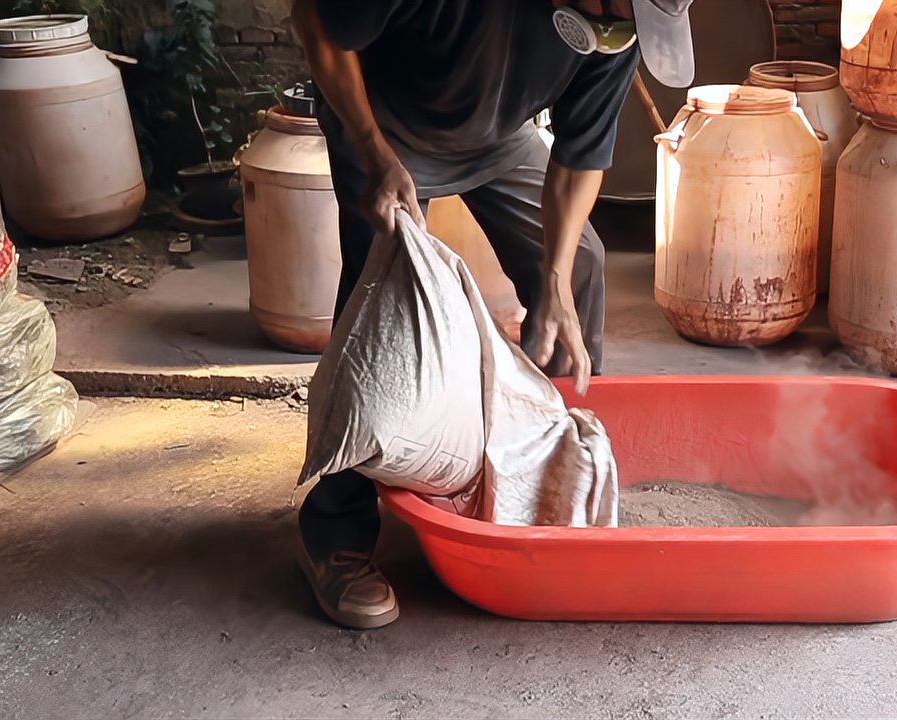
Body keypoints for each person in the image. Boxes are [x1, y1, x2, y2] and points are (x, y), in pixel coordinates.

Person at [291, 0, 697, 629]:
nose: (628, 26)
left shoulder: (619, 30)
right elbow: (319, 23)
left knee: (580, 265)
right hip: (383, 125)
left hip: (500, 140)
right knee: (383, 299)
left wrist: (555, 285)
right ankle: (336, 529)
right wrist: (373, 153)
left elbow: (580, 156)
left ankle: (550, 481)